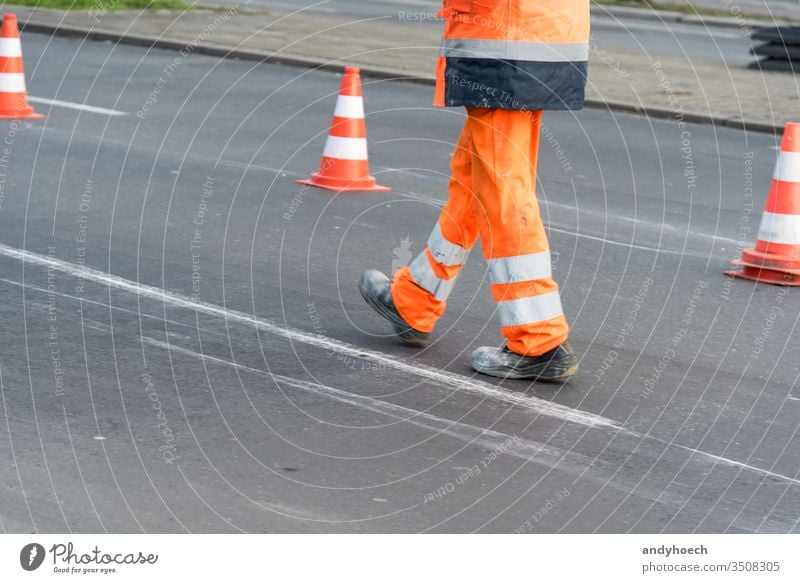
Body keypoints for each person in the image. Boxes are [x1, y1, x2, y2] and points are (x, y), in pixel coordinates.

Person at [360, 0, 589, 381]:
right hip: (540, 32)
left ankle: (538, 340)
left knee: (503, 190)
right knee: (474, 177)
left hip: (504, 39)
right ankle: (415, 299)